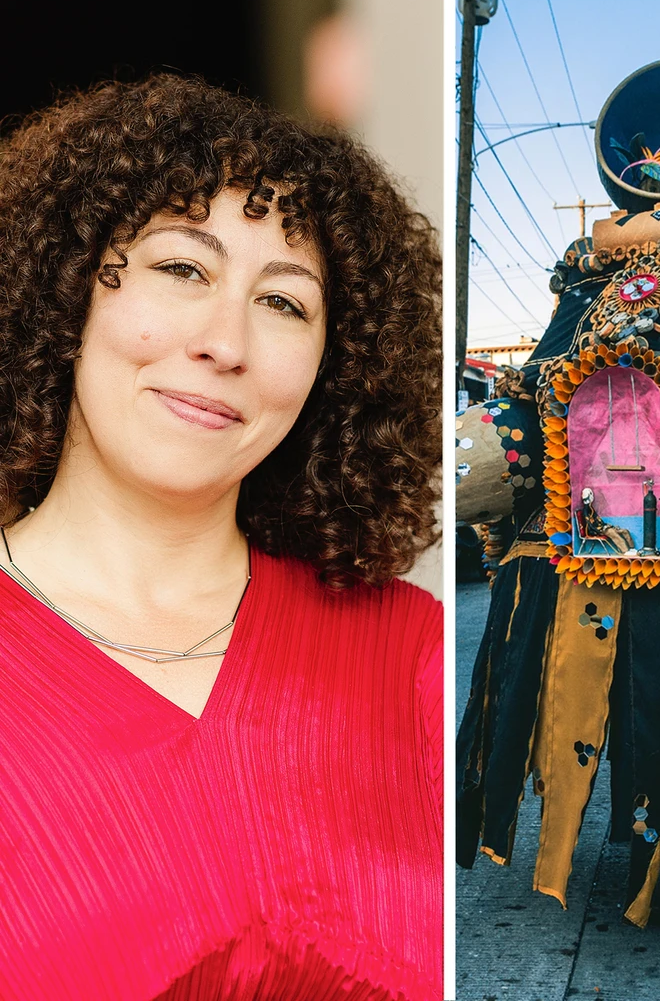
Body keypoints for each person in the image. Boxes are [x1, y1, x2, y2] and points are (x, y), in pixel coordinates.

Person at [0, 75, 443, 999]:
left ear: (337, 367)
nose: (225, 341)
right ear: (66, 290)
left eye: (285, 303)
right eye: (182, 269)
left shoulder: (414, 655)